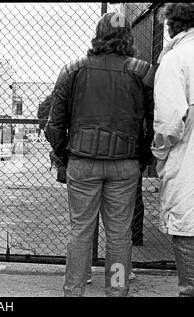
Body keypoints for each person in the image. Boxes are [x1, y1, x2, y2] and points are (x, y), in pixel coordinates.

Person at [45, 12, 154, 296]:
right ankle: (116, 290)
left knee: (80, 230)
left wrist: (64, 155)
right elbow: (156, 122)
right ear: (128, 36)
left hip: (82, 162)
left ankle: (74, 290)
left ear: (98, 34)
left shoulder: (73, 69)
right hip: (124, 165)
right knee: (119, 233)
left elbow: (54, 123)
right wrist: (141, 157)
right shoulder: (143, 71)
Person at [151, 3, 194, 297]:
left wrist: (159, 152)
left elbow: (168, 123)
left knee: (187, 224)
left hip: (188, 158)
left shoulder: (175, 58)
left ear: (171, 26)